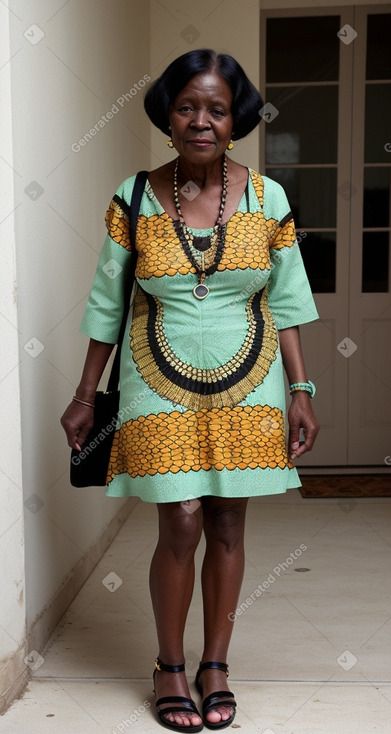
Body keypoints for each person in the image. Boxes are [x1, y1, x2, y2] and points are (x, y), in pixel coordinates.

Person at [61, 49, 319, 732]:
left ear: (235, 120)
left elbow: (287, 302)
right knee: (178, 520)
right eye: (186, 107)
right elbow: (105, 304)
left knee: (228, 522)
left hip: (252, 380)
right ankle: (169, 666)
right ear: (166, 115)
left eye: (216, 109)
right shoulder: (134, 196)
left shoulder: (269, 199)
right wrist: (86, 394)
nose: (200, 121)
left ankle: (216, 667)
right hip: (153, 377)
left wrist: (301, 388)